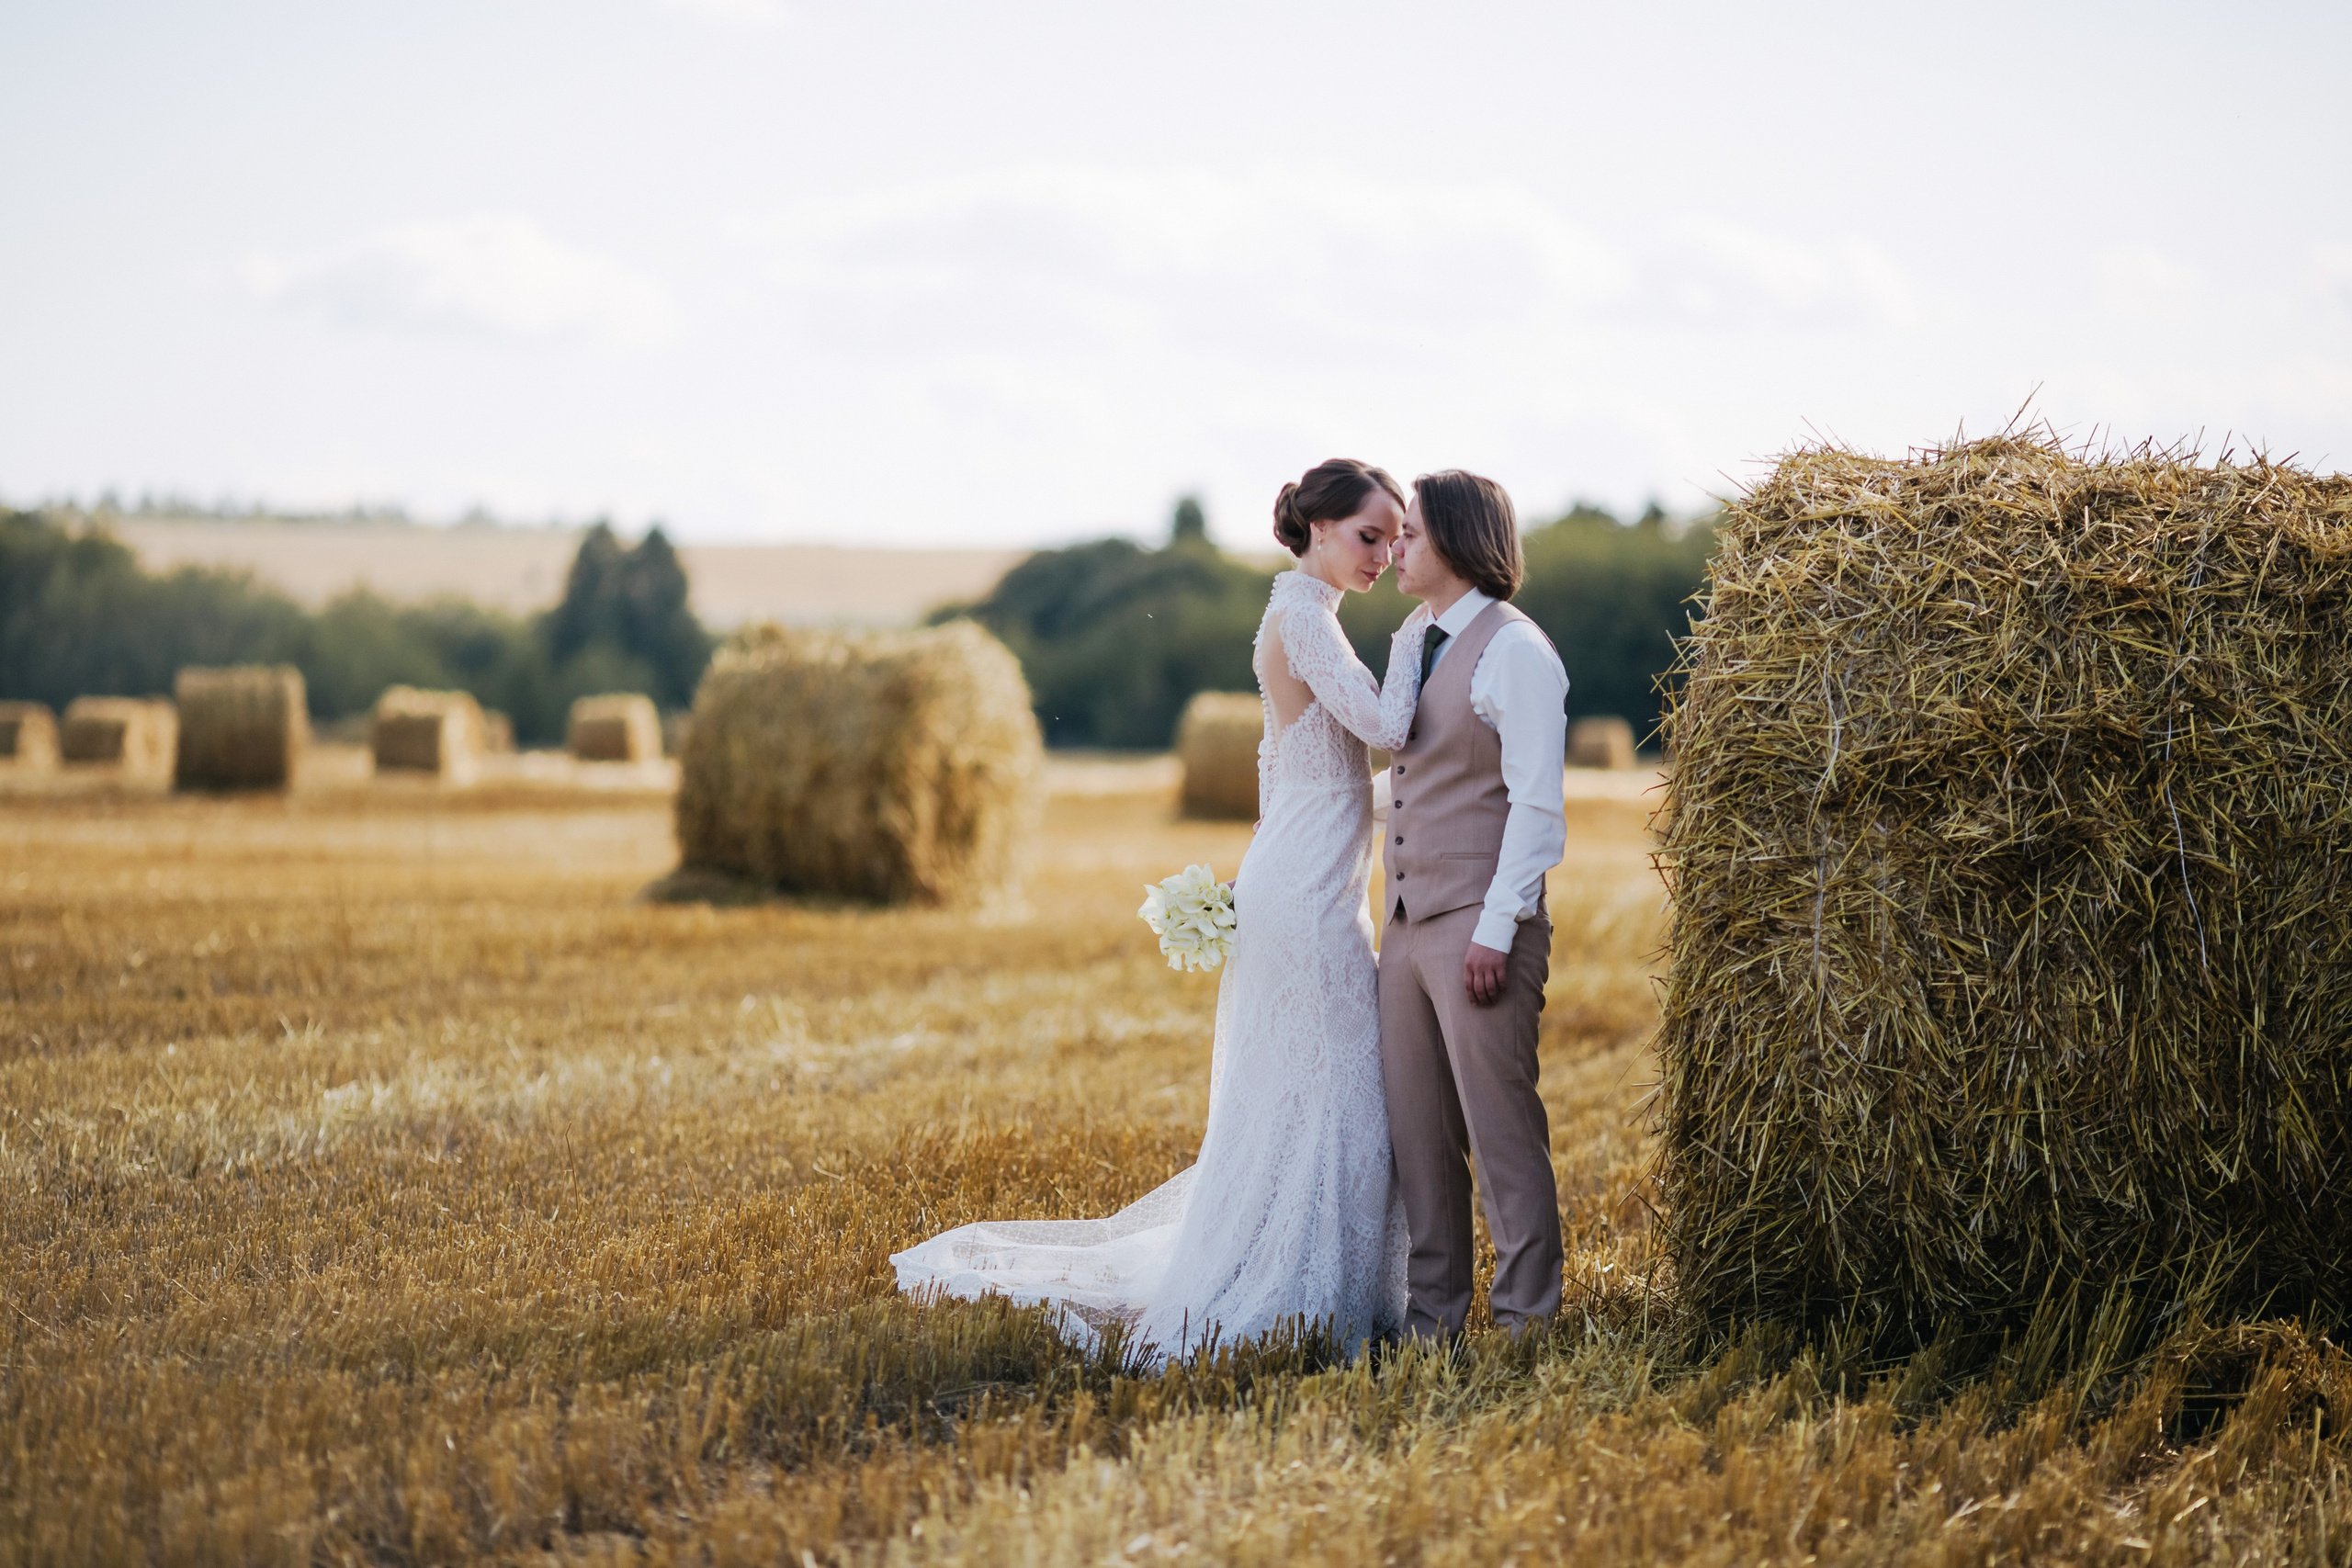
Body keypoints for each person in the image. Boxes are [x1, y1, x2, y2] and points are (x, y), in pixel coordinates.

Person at [891, 458, 1432, 1361]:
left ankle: (1317, 1283)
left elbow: (1300, 777)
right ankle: (1295, 1293)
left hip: (1301, 877)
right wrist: (1425, 633)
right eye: (1369, 536)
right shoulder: (1304, 616)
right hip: (1303, 896)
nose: (1385, 555)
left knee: (1318, 1091)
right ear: (1319, 529)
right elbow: (1386, 729)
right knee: (1340, 1090)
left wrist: (1395, 805)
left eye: (1394, 538)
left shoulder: (1296, 617)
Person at [1378, 470, 1569, 1341]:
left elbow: (1536, 807)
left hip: (1478, 926)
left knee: (1500, 1133)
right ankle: (1434, 1321)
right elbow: (1411, 776)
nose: (1397, 548)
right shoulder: (1412, 637)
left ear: (1455, 540)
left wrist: (1496, 931)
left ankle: (1526, 1318)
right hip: (1406, 927)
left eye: (1411, 533)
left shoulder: (1517, 650)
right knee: (1419, 1138)